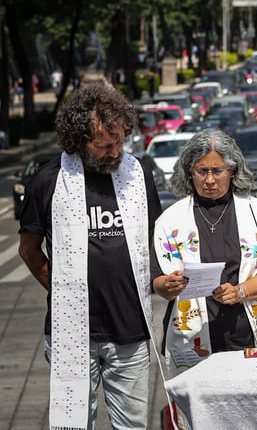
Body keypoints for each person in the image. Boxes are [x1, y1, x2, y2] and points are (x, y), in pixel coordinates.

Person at [18, 82, 163, 430]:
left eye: (119, 142)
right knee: (73, 425)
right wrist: (61, 285)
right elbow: (28, 249)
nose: (115, 152)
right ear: (79, 141)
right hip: (72, 333)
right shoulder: (49, 180)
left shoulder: (138, 174)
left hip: (130, 329)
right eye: (103, 146)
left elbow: (156, 240)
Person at [151, 128, 257, 376]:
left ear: (233, 171)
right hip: (192, 337)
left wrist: (240, 291)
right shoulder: (169, 221)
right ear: (189, 172)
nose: (210, 180)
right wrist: (168, 285)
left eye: (217, 171)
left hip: (249, 334)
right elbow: (156, 281)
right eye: (201, 171)